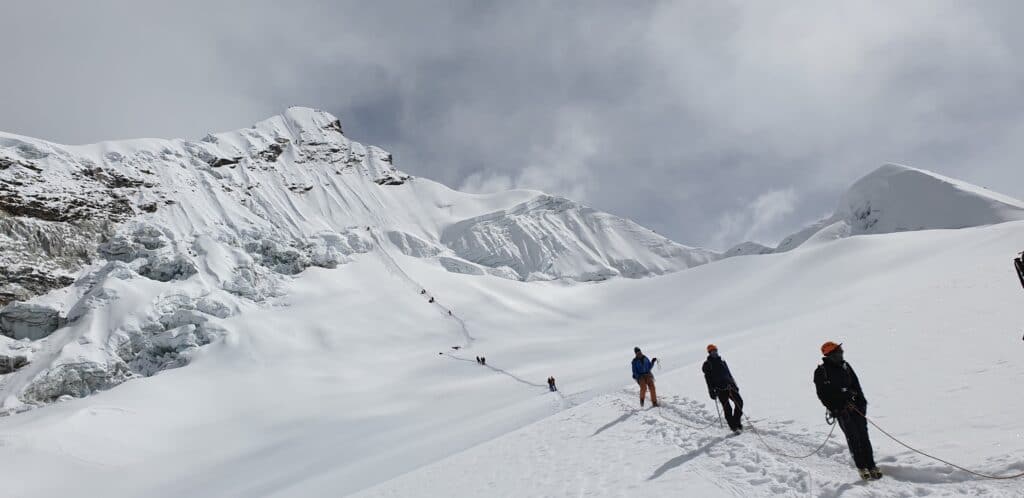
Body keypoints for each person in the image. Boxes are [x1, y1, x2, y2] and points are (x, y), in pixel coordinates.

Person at [814, 341, 881, 481]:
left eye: (841, 350)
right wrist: (836, 408)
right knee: (853, 438)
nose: (842, 353)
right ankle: (862, 468)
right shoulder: (821, 372)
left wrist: (862, 403)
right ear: (831, 354)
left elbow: (856, 384)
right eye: (839, 351)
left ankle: (872, 466)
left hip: (856, 407)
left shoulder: (846, 366)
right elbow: (823, 395)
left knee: (864, 437)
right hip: (841, 411)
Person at [702, 344, 743, 433]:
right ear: (709, 353)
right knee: (728, 408)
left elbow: (729, 373)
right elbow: (708, 379)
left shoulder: (722, 361)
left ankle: (736, 422)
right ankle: (733, 427)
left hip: (730, 386)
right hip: (719, 389)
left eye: (715, 350)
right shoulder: (707, 364)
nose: (714, 352)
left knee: (739, 403)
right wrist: (711, 391)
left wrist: (734, 384)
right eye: (712, 351)